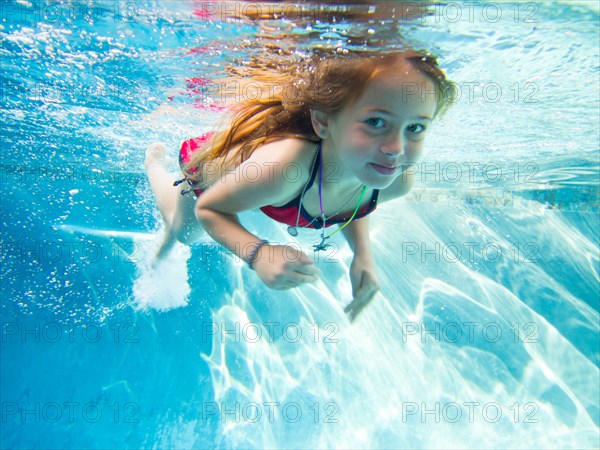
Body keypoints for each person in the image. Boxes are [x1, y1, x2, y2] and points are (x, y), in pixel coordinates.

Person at [144, 49, 455, 321]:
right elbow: (209, 208)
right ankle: (153, 165)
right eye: (376, 122)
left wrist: (362, 253)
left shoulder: (394, 179)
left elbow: (358, 200)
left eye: (415, 127)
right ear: (323, 121)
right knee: (182, 233)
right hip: (213, 174)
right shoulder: (284, 168)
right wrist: (258, 254)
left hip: (265, 191)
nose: (396, 148)